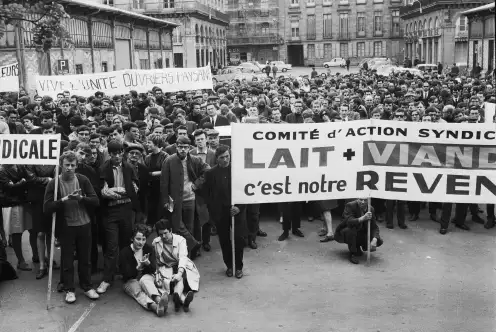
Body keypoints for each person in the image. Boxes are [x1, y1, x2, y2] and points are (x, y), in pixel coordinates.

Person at [43, 151, 100, 303]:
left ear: (76, 166)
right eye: (67, 165)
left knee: (85, 258)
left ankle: (87, 286)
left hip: (85, 224)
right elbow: (47, 207)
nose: (69, 168)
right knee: (67, 259)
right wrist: (64, 199)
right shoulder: (53, 184)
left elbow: (95, 201)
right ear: (61, 165)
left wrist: (81, 198)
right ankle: (69, 289)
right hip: (66, 226)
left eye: (72, 165)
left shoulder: (83, 179)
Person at [97, 140, 140, 295]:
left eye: (120, 153)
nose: (117, 156)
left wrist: (116, 191)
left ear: (123, 152)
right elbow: (103, 192)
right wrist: (121, 190)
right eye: (114, 154)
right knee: (111, 246)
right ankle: (107, 279)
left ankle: (127, 274)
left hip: (126, 210)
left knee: (125, 243)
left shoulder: (129, 167)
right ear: (110, 153)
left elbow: (134, 189)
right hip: (110, 212)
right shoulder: (104, 168)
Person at [160, 136, 207, 260]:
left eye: (186, 147)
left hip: (190, 198)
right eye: (180, 147)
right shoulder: (169, 161)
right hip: (174, 200)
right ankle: (193, 245)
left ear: (189, 148)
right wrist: (165, 200)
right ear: (176, 146)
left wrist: (196, 184)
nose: (183, 150)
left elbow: (207, 171)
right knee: (176, 225)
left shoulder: (195, 160)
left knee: (189, 226)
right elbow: (164, 182)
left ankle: (188, 254)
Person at [204, 145, 247, 278]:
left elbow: (246, 191)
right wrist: (213, 213)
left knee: (238, 239)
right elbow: (208, 195)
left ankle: (239, 267)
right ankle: (229, 266)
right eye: (222, 157)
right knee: (224, 240)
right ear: (217, 159)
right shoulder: (211, 174)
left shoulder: (238, 171)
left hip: (236, 211)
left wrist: (239, 207)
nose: (225, 159)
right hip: (221, 213)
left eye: (227, 156)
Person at [119, 224, 168, 317]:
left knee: (145, 281)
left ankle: (159, 300)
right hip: (130, 280)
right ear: (132, 238)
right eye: (138, 239)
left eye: (143, 239)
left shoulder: (148, 249)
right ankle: (155, 307)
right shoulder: (124, 253)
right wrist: (138, 268)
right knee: (138, 292)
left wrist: (148, 263)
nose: (141, 242)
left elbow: (154, 270)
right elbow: (126, 274)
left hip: (145, 277)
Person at [152, 219, 199, 313]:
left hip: (181, 267)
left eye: (165, 233)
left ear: (171, 230)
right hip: (167, 268)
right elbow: (156, 262)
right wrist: (157, 274)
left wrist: (180, 273)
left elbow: (183, 258)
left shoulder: (180, 240)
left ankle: (177, 296)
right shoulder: (156, 243)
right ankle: (182, 300)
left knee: (179, 278)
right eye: (161, 234)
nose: (163, 236)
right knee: (172, 280)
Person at [335, 198, 383, 264]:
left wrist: (375, 239)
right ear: (357, 199)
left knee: (377, 239)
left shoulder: (370, 209)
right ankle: (352, 253)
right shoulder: (350, 205)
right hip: (348, 230)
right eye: (361, 199)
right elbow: (349, 222)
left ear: (369, 200)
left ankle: (358, 246)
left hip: (361, 231)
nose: (363, 202)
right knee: (351, 231)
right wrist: (362, 218)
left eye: (365, 200)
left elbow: (374, 227)